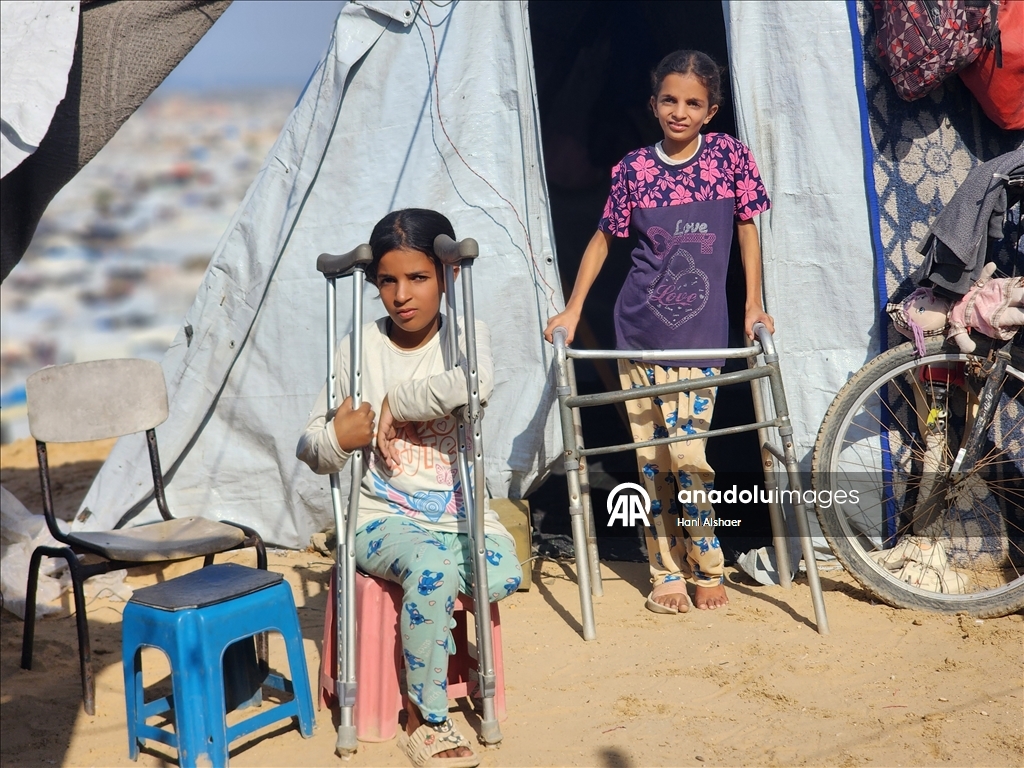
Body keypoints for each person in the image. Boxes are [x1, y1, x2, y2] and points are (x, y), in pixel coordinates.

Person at [544, 50, 773, 615]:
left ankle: (709, 561)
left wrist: (754, 304)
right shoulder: (633, 171)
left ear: (711, 111)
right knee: (652, 461)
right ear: (653, 104)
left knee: (690, 456)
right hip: (639, 334)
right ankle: (665, 571)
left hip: (704, 338)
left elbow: (748, 230)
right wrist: (572, 310)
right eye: (669, 100)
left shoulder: (729, 159)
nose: (679, 111)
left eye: (693, 102)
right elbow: (603, 240)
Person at [298, 208, 521, 768]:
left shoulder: (470, 337)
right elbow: (309, 446)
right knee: (433, 571)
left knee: (505, 572)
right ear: (374, 285)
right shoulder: (358, 350)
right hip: (381, 519)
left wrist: (399, 402)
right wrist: (338, 437)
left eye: (418, 278)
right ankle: (428, 719)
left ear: (444, 277)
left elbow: (473, 386)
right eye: (388, 281)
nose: (402, 294)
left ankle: (431, 637)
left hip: (457, 515)